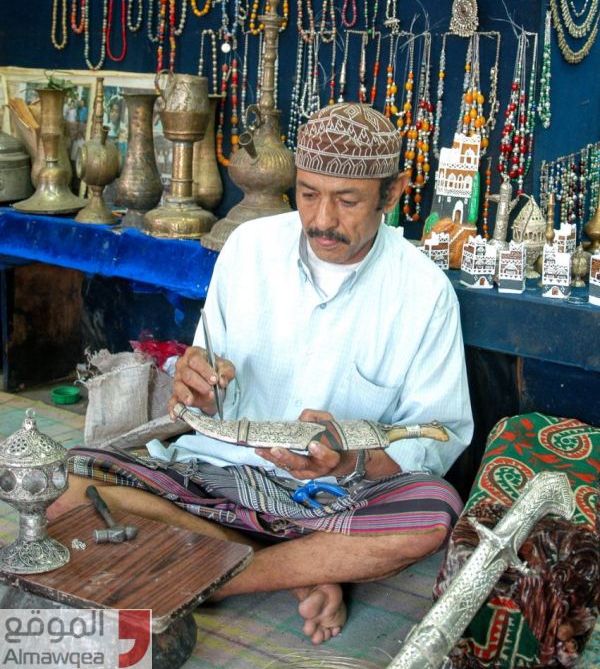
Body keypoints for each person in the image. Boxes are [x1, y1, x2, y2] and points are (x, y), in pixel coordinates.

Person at [53, 102, 473, 645]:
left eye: (348, 201)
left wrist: (349, 457)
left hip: (330, 498)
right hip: (216, 476)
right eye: (308, 194)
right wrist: (194, 384)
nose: (323, 219)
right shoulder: (249, 249)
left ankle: (213, 573)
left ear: (392, 195)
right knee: (69, 485)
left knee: (432, 514)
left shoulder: (423, 291)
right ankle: (297, 572)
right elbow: (205, 387)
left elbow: (437, 436)